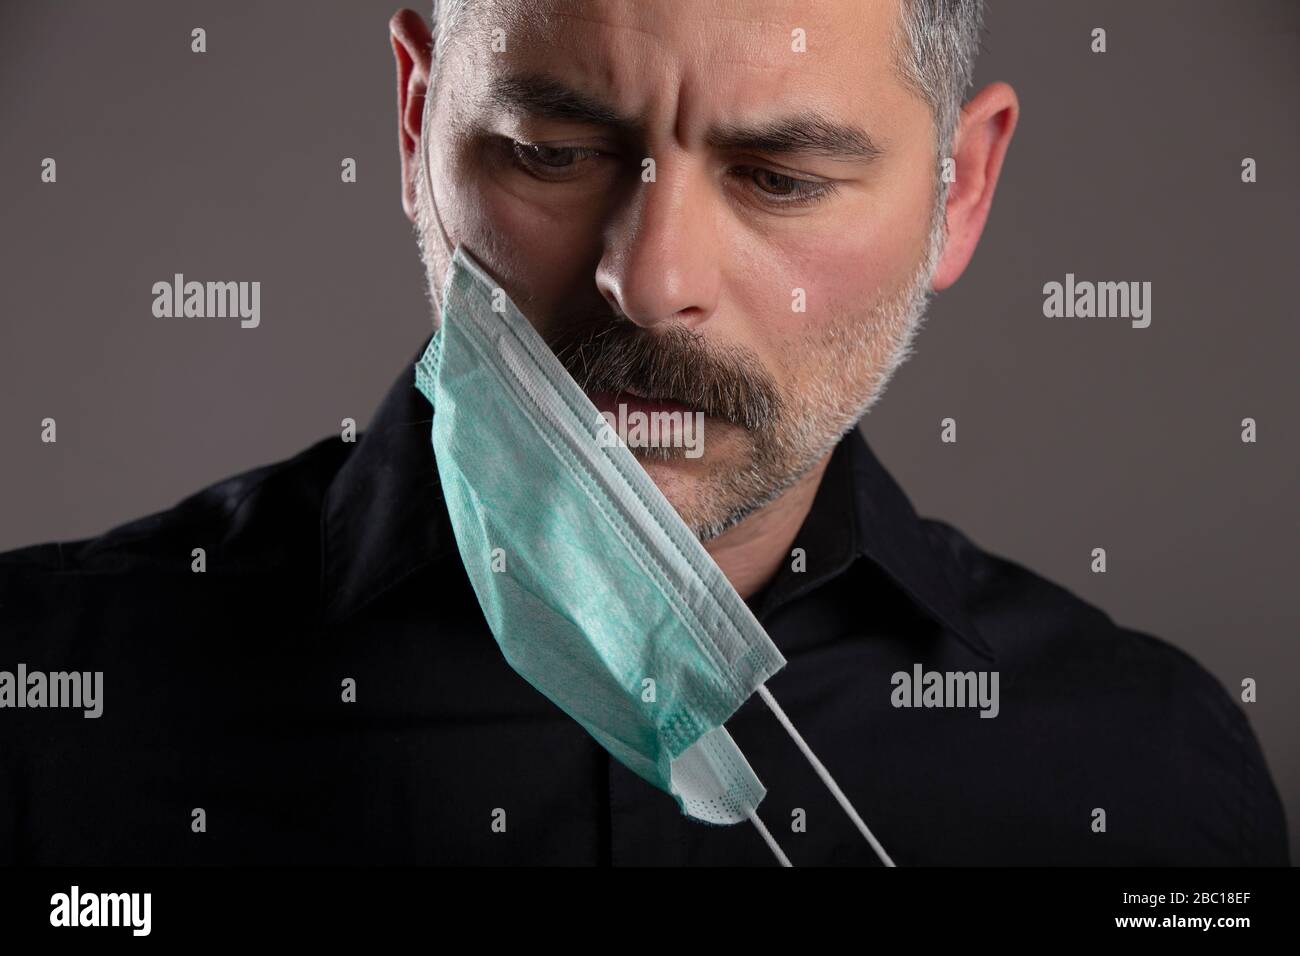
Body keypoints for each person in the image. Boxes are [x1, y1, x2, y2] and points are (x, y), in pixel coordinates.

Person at [0, 0, 1287, 865]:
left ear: (958, 190)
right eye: (553, 151)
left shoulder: (1149, 774)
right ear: (414, 121)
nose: (649, 276)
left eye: (779, 177)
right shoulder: (42, 716)